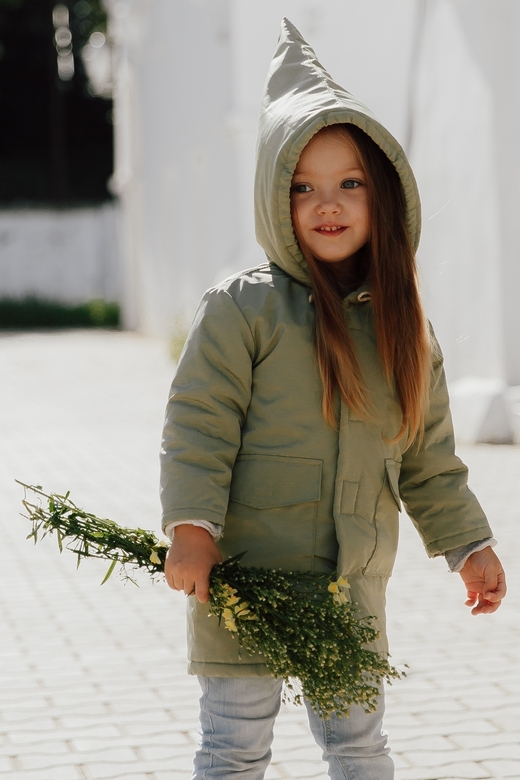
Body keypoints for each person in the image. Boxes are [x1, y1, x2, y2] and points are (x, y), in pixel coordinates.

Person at [160, 18, 506, 780]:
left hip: (351, 586)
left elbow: (428, 458)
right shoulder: (242, 310)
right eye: (303, 186)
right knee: (235, 747)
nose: (328, 203)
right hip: (243, 578)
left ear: (382, 193)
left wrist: (467, 545)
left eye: (349, 182)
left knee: (358, 745)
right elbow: (198, 426)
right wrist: (192, 525)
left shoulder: (403, 327)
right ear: (271, 200)